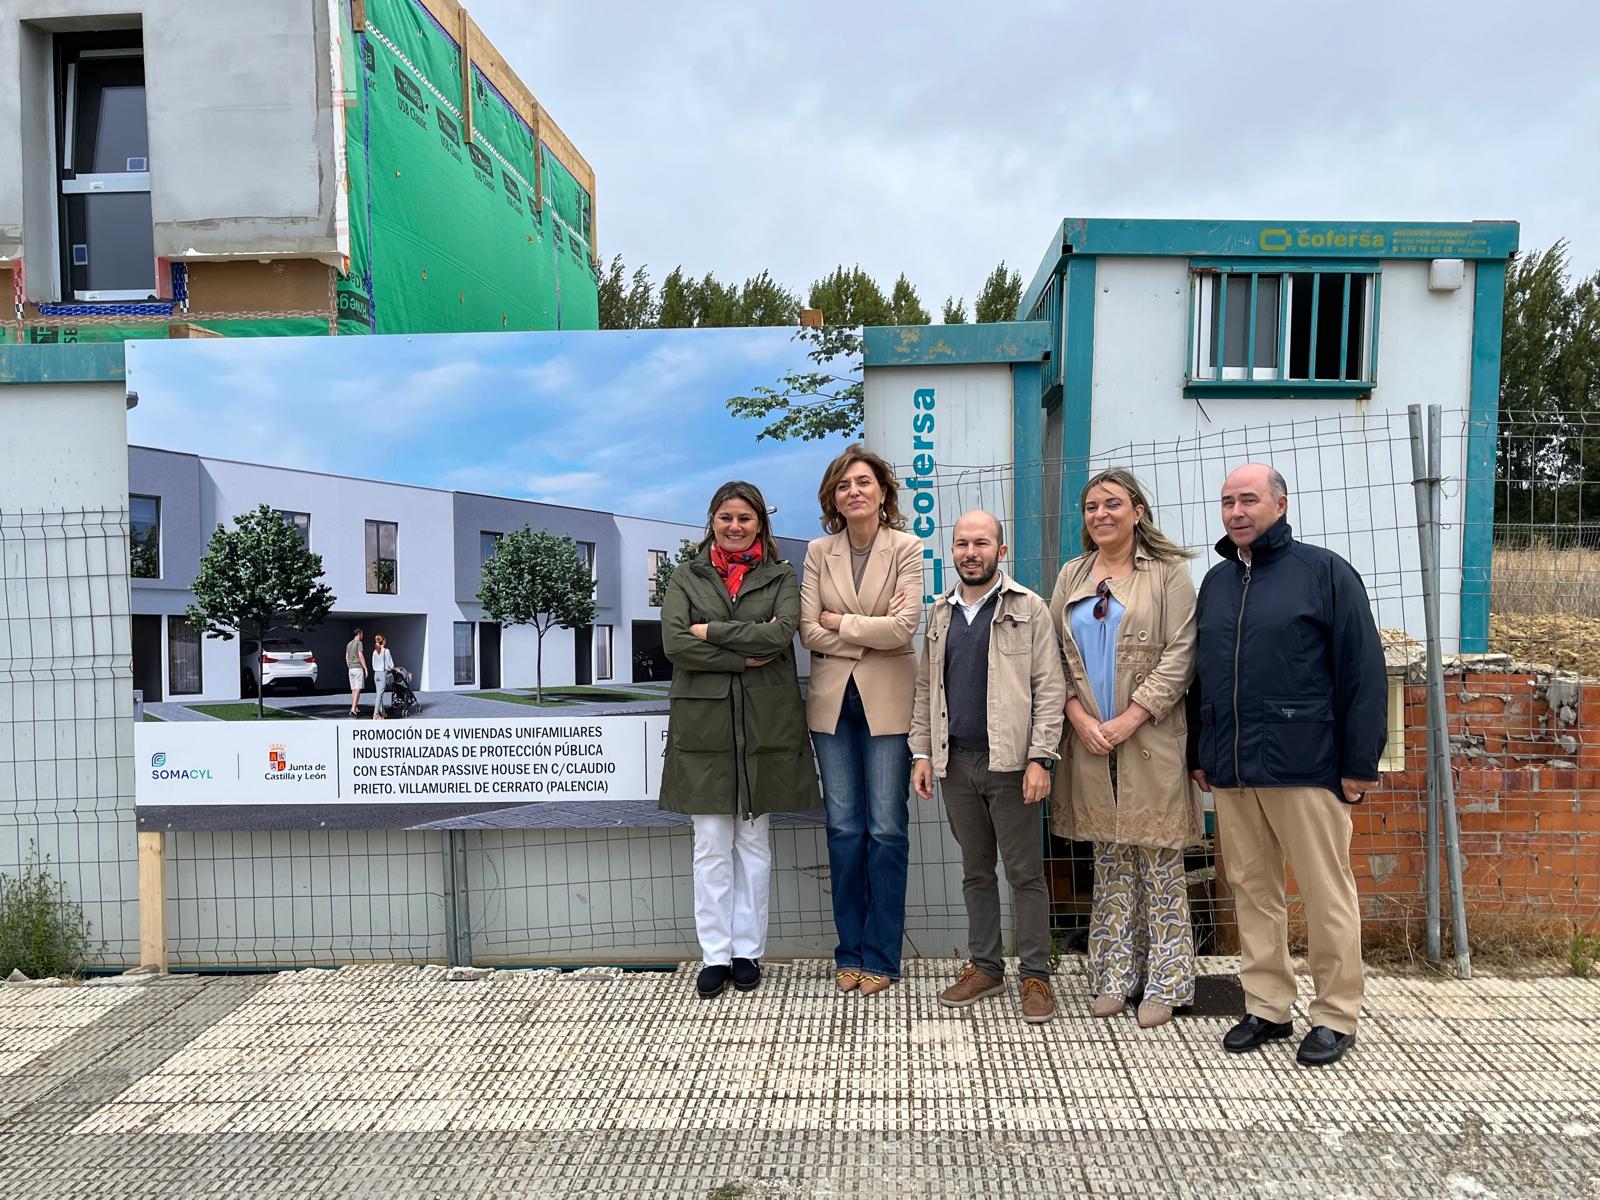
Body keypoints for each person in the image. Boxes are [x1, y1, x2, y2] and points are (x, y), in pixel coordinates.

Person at [1187, 463, 1387, 1067]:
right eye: (1227, 502)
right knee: (1253, 890)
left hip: (1308, 766)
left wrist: (1358, 762)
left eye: (1249, 499)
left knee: (1326, 893)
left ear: (1281, 503)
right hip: (1234, 770)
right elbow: (1203, 678)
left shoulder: (1323, 574)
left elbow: (1363, 673)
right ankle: (1268, 1005)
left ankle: (1335, 1015)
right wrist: (1203, 750)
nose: (1237, 512)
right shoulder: (1217, 583)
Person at [1049, 468, 1199, 1029]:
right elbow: (1054, 656)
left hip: (1151, 736)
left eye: (1113, 504)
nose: (1101, 515)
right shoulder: (1073, 574)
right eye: (1091, 507)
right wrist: (1078, 716)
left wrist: (1133, 716)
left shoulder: (1168, 575)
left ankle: (1167, 981)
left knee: (1158, 860)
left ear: (1138, 511)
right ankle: (1113, 976)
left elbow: (1182, 654)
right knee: (1110, 858)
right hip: (1089, 736)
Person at [659, 480, 820, 1000]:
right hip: (703, 725)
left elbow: (780, 636)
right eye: (726, 517)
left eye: (744, 518)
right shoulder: (686, 575)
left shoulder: (781, 574)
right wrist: (738, 652)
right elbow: (675, 643)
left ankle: (747, 951)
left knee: (753, 841)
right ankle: (714, 954)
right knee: (710, 843)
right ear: (712, 521)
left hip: (765, 721)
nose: (734, 526)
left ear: (760, 525)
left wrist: (711, 631)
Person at [910, 510, 1065, 1023]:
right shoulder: (939, 614)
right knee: (975, 871)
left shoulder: (1029, 608)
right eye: (961, 544)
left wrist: (1040, 758)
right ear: (951, 551)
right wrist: (924, 753)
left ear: (1001, 551)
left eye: (981, 543)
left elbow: (1049, 689)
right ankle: (986, 968)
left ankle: (1037, 977)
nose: (970, 552)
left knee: (1024, 874)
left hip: (1011, 765)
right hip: (957, 763)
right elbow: (926, 689)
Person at [800, 444, 923, 997]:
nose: (854, 491)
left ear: (882, 491)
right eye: (844, 484)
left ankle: (881, 955)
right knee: (845, 829)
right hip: (832, 706)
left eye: (864, 482)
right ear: (833, 496)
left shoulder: (907, 548)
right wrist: (865, 626)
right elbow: (808, 631)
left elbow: (904, 630)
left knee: (886, 829)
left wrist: (840, 622)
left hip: (889, 704)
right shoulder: (816, 551)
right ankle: (848, 950)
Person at [370, 634, 394, 720]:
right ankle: (376, 714)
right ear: (383, 641)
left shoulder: (374, 651)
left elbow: (373, 664)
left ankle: (383, 712)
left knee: (378, 694)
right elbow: (390, 665)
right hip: (382, 674)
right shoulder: (386, 651)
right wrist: (393, 668)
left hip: (376, 674)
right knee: (379, 695)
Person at [345, 627, 367, 717]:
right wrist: (365, 668)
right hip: (358, 668)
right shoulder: (359, 643)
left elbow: (346, 657)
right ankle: (353, 709)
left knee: (354, 689)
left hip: (351, 669)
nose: (362, 635)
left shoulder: (349, 644)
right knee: (358, 689)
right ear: (359, 634)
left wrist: (349, 666)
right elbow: (361, 656)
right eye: (362, 634)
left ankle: (355, 707)